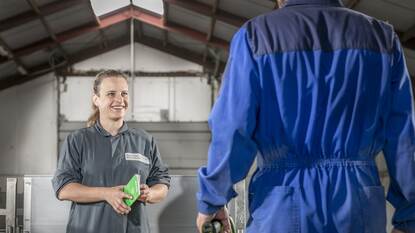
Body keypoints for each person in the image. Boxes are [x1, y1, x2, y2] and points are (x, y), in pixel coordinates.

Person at [196, 0, 415, 232]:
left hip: (281, 198)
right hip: (358, 200)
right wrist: (409, 217)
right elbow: (403, 138)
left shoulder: (257, 36)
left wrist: (212, 200)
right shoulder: (382, 37)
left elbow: (233, 127)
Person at [52, 70, 170, 233]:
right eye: (111, 94)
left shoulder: (144, 140)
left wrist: (150, 193)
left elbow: (162, 183)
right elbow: (63, 188)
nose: (120, 100)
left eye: (124, 93)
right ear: (96, 100)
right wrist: (106, 193)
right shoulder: (78, 140)